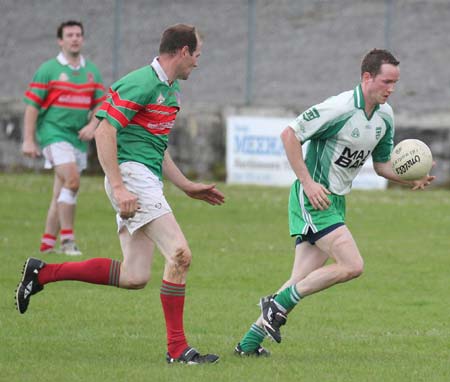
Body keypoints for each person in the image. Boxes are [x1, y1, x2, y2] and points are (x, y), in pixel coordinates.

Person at [15, 24, 225, 365]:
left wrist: (186, 186)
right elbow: (104, 130)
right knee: (180, 255)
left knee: (134, 276)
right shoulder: (141, 82)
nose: (197, 64)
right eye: (197, 56)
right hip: (131, 177)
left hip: (145, 179)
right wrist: (117, 185)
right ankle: (178, 350)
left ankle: (43, 273)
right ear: (183, 51)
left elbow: (157, 147)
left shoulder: (170, 92)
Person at [234, 49, 436, 356]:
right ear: (367, 77)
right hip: (314, 198)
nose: (391, 88)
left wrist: (411, 179)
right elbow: (289, 134)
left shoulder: (384, 115)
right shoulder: (339, 108)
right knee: (353, 265)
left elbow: (382, 165)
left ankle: (248, 344)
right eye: (386, 81)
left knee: (299, 280)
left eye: (395, 82)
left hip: (336, 201)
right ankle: (277, 305)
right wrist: (308, 182)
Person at [22, 20, 106, 256]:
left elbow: (101, 102)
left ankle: (47, 243)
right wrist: (28, 139)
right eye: (69, 35)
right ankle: (68, 241)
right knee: (73, 181)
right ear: (60, 40)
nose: (75, 38)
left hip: (77, 138)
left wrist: (92, 125)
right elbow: (32, 106)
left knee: (61, 193)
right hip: (53, 134)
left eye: (79, 34)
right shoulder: (48, 69)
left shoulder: (92, 71)